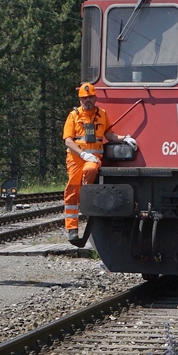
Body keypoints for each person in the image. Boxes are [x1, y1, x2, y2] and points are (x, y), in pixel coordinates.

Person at [62, 82, 136, 246]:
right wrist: (82, 153)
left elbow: (109, 134)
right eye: (84, 98)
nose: (87, 100)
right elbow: (68, 141)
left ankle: (86, 198)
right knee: (71, 190)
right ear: (80, 99)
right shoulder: (73, 116)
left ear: (95, 97)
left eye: (90, 97)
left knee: (90, 170)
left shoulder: (102, 114)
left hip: (93, 159)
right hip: (75, 157)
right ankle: (72, 229)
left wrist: (125, 138)